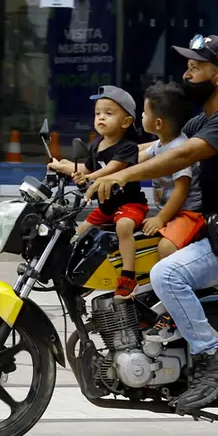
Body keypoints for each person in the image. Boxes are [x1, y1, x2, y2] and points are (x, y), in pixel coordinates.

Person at [87, 34, 218, 412]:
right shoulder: (204, 118)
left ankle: (211, 358)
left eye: (195, 66)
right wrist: (91, 170)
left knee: (166, 274)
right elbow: (153, 149)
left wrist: (122, 178)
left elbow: (180, 156)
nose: (186, 73)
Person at [49, 86, 150, 298]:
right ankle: (71, 273)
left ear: (126, 122)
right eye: (98, 113)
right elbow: (86, 169)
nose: (101, 117)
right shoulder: (96, 145)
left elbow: (112, 169)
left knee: (124, 227)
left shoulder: (127, 147)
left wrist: (89, 178)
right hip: (107, 207)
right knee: (79, 231)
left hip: (129, 204)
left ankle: (128, 275)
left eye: (109, 113)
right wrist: (61, 166)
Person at [138, 81, 204, 263]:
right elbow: (137, 158)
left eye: (144, 113)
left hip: (188, 214)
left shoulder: (178, 150)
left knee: (166, 248)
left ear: (158, 123)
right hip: (172, 212)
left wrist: (160, 219)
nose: (141, 116)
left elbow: (181, 191)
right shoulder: (161, 144)